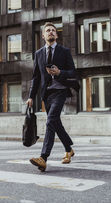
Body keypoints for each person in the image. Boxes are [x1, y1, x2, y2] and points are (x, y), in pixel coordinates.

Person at [26, 22, 79, 172]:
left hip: (60, 91)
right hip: (47, 94)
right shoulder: (38, 54)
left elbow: (73, 72)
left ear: (56, 35)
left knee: (50, 121)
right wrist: (31, 96)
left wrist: (60, 73)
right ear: (43, 35)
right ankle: (69, 149)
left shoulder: (64, 51)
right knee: (55, 123)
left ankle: (43, 158)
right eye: (47, 30)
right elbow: (36, 77)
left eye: (53, 30)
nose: (50, 32)